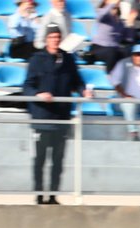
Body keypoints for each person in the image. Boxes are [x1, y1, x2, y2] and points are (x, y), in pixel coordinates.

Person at [24, 25, 92, 205]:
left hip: (62, 117)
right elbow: (28, 86)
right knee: (39, 160)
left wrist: (84, 91)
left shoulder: (68, 59)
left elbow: (77, 81)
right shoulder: (36, 59)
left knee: (58, 160)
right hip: (41, 117)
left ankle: (53, 195)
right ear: (46, 39)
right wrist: (37, 95)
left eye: (57, 37)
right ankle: (39, 195)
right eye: (52, 37)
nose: (55, 40)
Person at [87, 0, 132, 73]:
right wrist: (111, 4)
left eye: (115, 8)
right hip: (99, 47)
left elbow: (128, 39)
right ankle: (110, 77)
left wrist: (130, 24)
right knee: (112, 52)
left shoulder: (120, 22)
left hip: (114, 48)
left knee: (127, 51)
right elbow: (101, 15)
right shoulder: (103, 16)